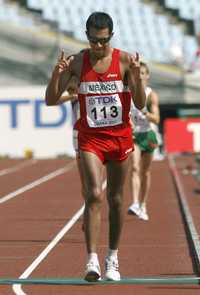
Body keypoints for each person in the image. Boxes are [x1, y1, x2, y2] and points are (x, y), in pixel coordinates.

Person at [45, 11, 146, 282]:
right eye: (93, 41)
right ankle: (91, 260)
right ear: (87, 37)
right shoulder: (78, 62)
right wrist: (57, 74)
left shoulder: (124, 60)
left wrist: (136, 77)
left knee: (115, 199)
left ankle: (112, 257)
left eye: (102, 41)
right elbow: (51, 99)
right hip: (90, 138)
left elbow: (140, 103)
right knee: (93, 195)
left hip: (120, 137)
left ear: (110, 36)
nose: (98, 46)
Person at [128, 62, 160, 221]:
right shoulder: (128, 93)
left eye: (142, 73)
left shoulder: (151, 95)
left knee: (145, 172)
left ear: (147, 75)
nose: (139, 75)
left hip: (148, 135)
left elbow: (157, 118)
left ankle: (143, 204)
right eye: (137, 72)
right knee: (134, 167)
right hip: (134, 136)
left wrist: (145, 113)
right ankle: (134, 202)